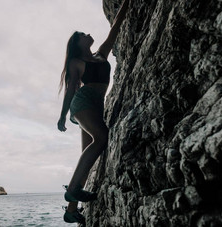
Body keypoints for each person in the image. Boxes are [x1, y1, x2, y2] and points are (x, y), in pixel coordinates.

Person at [57, 0, 129, 224]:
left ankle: (71, 211)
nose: (88, 34)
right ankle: (72, 190)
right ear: (78, 43)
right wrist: (61, 116)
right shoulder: (77, 62)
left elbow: (115, 28)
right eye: (83, 34)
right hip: (83, 103)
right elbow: (70, 90)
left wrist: (126, 5)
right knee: (102, 138)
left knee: (86, 156)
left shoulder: (101, 54)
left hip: (97, 105)